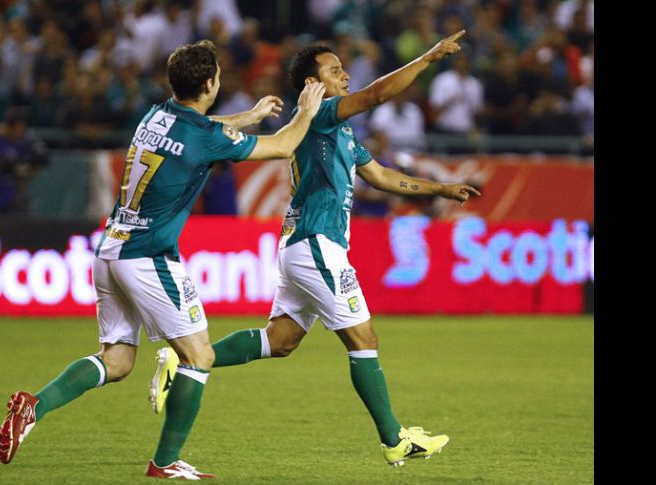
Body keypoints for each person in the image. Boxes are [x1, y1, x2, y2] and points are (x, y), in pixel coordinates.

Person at [0, 39, 326, 480]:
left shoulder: (156, 115)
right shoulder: (203, 136)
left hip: (110, 249)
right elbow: (282, 146)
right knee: (199, 357)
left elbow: (203, 129)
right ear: (210, 85)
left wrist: (247, 117)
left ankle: (34, 406)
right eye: (218, 78)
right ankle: (165, 462)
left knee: (116, 361)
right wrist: (306, 111)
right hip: (148, 256)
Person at [151, 31, 481, 468]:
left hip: (301, 245)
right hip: (317, 242)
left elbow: (382, 176)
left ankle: (184, 359)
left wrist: (440, 188)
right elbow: (378, 94)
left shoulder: (340, 131)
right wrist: (428, 58)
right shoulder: (322, 114)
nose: (344, 74)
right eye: (334, 69)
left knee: (280, 341)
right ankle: (394, 439)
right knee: (363, 338)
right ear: (313, 84)